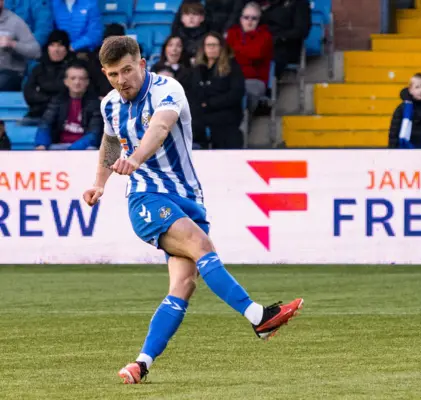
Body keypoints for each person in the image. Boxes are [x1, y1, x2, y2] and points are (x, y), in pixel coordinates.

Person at [82, 36, 302, 384]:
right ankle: (258, 316)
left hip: (187, 197)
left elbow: (161, 126)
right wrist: (100, 183)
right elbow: (110, 141)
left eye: (126, 70)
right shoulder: (110, 104)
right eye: (112, 74)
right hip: (146, 197)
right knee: (203, 248)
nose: (121, 80)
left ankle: (142, 363)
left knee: (183, 285)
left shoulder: (167, 89)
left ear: (141, 64)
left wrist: (135, 158)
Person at [189, 32, 246, 149]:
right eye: (208, 45)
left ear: (221, 47)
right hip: (201, 112)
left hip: (226, 112)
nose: (211, 48)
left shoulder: (232, 67)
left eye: (215, 45)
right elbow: (192, 92)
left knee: (226, 132)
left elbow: (236, 93)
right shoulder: (198, 69)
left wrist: (210, 103)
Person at [34, 61, 102, 150]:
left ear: (87, 82)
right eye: (73, 78)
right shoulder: (57, 101)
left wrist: (70, 151)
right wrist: (41, 144)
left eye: (81, 78)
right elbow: (45, 124)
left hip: (83, 149)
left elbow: (94, 134)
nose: (77, 82)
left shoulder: (95, 104)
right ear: (66, 81)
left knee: (91, 148)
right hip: (59, 147)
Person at [226, 2, 273, 113]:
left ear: (259, 20)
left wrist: (235, 50)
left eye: (254, 18)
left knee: (239, 95)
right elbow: (226, 55)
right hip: (231, 79)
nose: (249, 21)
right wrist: (244, 52)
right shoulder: (232, 32)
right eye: (246, 17)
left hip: (254, 80)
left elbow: (255, 54)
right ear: (241, 19)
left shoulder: (265, 36)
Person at [23, 30, 72, 120]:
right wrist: (51, 98)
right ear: (47, 47)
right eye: (52, 45)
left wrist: (42, 90)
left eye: (60, 45)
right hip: (38, 112)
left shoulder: (74, 67)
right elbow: (29, 93)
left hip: (65, 114)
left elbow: (68, 93)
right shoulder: (38, 68)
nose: (56, 50)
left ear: (67, 48)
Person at [388, 73, 421, 148]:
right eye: (417, 87)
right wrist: (393, 148)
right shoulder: (402, 108)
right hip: (405, 149)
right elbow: (394, 131)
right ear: (410, 90)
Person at [0, 0, 41, 91]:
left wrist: (12, 44)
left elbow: (36, 51)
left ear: (2, 1)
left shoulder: (15, 22)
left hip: (10, 72)